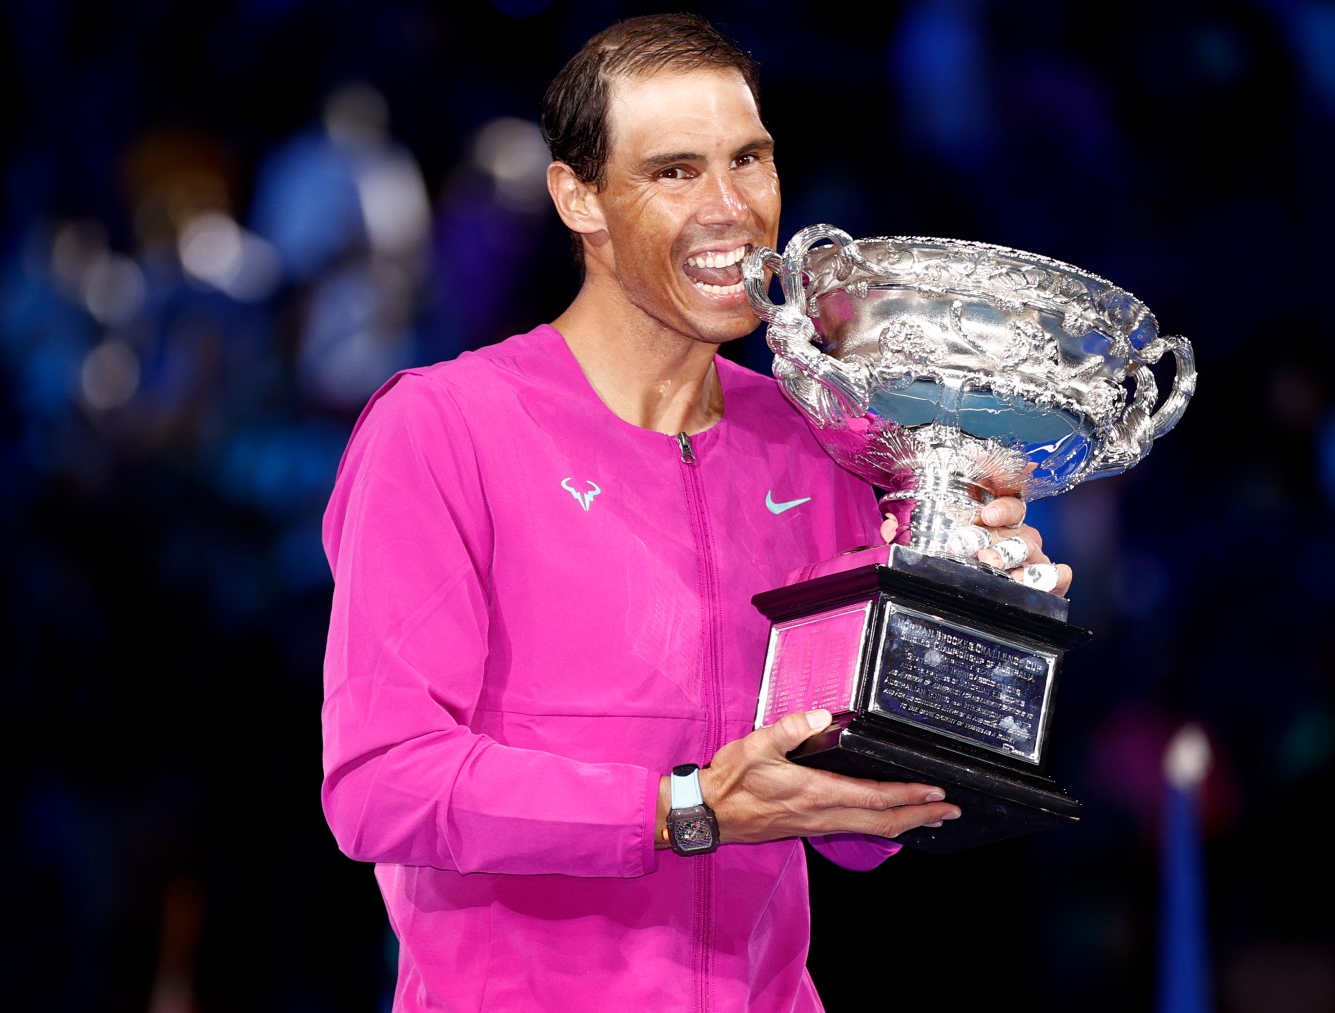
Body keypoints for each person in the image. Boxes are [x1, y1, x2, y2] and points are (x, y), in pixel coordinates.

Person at [319, 14, 1071, 1011]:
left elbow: (851, 831)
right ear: (576, 196)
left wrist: (963, 618)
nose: (732, 207)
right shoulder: (443, 426)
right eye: (674, 171)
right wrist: (685, 809)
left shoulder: (817, 440)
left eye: (749, 160)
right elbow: (382, 785)